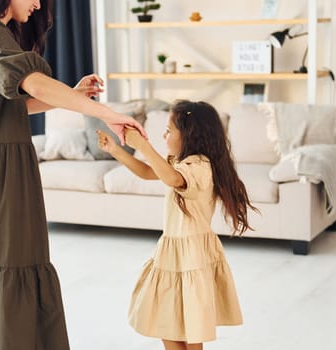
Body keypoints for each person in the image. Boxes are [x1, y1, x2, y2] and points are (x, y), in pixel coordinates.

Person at [0, 0, 145, 349]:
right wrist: (105, 113)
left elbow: (15, 107)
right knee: (5, 259)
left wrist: (73, 96)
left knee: (5, 260)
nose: (38, 4)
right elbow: (34, 85)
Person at [97, 100, 256, 350]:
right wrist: (116, 150)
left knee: (190, 328)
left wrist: (144, 145)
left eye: (169, 130)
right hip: (173, 253)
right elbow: (151, 173)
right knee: (166, 321)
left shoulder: (200, 166)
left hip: (191, 255)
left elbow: (172, 178)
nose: (164, 134)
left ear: (189, 134)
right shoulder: (183, 162)